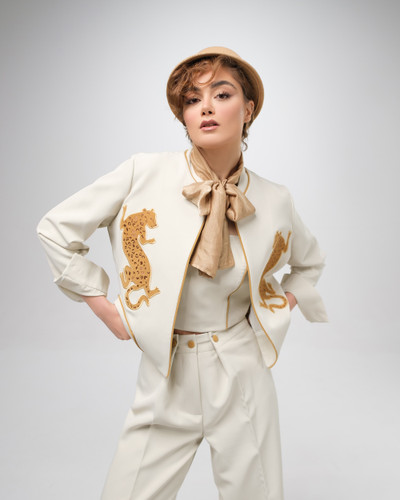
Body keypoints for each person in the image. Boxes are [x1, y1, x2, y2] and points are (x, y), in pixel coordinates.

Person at [37, 47, 328, 500]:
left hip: (242, 368)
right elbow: (56, 229)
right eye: (193, 100)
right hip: (165, 370)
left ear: (248, 109)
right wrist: (104, 307)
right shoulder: (143, 173)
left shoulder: (275, 198)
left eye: (222, 94)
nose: (206, 107)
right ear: (185, 116)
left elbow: (308, 263)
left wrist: (274, 308)